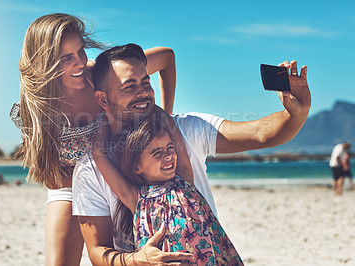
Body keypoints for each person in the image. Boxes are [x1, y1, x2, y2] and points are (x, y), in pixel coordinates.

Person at [72, 43, 311, 264]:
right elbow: (97, 252)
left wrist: (297, 113)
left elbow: (263, 134)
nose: (143, 92)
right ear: (102, 99)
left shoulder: (187, 130)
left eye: (146, 82)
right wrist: (135, 260)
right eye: (130, 86)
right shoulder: (90, 168)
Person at [10, 13, 177, 266]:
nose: (80, 63)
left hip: (125, 171)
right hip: (68, 187)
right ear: (44, 61)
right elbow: (49, 176)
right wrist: (87, 180)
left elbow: (167, 57)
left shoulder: (100, 75)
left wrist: (163, 117)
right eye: (66, 58)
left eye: (81, 51)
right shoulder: (33, 108)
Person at [94, 112, 243, 265]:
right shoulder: (137, 199)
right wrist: (105, 117)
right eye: (156, 152)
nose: (168, 155)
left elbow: (169, 123)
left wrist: (147, 105)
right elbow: (98, 154)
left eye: (170, 147)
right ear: (136, 167)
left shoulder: (184, 180)